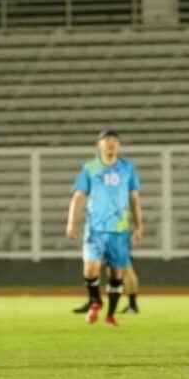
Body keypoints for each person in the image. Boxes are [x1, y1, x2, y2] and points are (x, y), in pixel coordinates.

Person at [66, 130, 143, 327]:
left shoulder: (127, 169)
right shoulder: (90, 168)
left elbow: (134, 198)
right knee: (90, 269)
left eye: (115, 141)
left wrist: (139, 225)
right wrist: (71, 222)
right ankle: (95, 301)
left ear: (119, 146)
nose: (111, 144)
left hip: (119, 229)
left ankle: (110, 315)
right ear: (98, 145)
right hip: (95, 229)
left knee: (116, 274)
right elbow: (79, 196)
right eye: (107, 140)